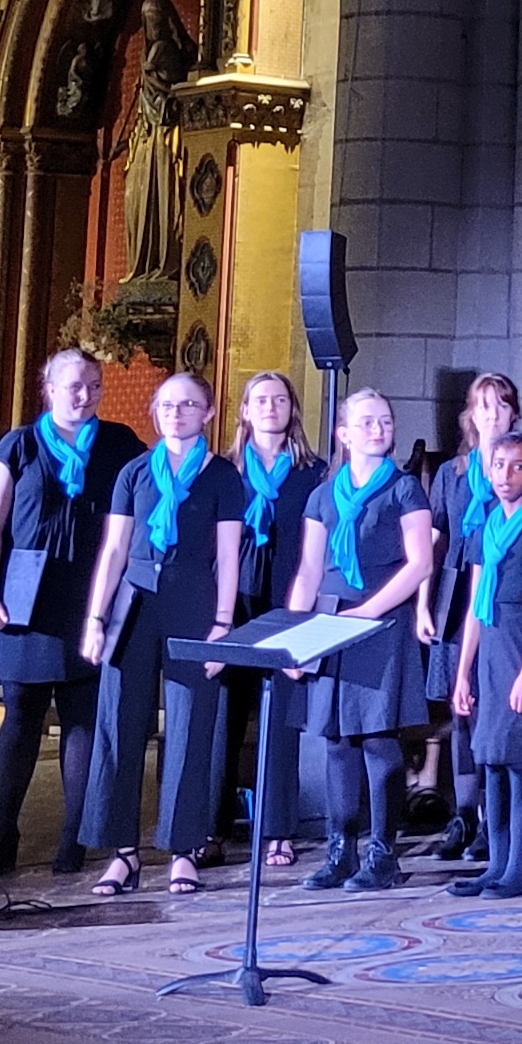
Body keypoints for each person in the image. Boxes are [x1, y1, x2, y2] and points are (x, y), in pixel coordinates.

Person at [0, 348, 142, 879]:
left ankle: (74, 837)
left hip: (88, 595)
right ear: (49, 389)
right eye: (74, 386)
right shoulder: (17, 446)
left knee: (82, 716)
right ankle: (3, 832)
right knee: (20, 715)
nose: (86, 395)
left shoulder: (119, 445)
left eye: (94, 385)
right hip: (23, 597)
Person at [74, 370, 245, 898]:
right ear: (155, 412)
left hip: (194, 603)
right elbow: (113, 550)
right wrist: (95, 618)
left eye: (189, 404)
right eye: (167, 405)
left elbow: (229, 556)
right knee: (119, 725)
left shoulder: (222, 476)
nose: (176, 413)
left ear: (208, 413)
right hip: (133, 604)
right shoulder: (133, 472)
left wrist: (223, 625)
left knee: (191, 727)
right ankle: (122, 853)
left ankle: (183, 849)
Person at [290, 385, 440, 890]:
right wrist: (296, 635)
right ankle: (341, 850)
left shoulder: (404, 488)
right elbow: (309, 569)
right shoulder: (322, 494)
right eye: (368, 421)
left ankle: (383, 852)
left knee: (378, 738)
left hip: (380, 620)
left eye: (386, 421)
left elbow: (420, 563)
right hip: (331, 621)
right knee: (337, 740)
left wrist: (369, 612)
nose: (379, 429)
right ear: (343, 434)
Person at [446, 428, 522, 903]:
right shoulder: (484, 530)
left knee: (517, 759)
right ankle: (495, 864)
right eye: (499, 466)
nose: (506, 475)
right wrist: (463, 672)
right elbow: (475, 607)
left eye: (518, 467)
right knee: (491, 759)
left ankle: (518, 868)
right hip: (491, 654)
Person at [421, 373, 522, 869]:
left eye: (501, 406)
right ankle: (463, 814)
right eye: (484, 406)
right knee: (461, 709)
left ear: (513, 415)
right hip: (457, 594)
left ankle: (492, 818)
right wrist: (423, 602)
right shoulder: (452, 473)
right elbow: (434, 538)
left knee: (494, 711)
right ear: (471, 416)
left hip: (503, 600)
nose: (492, 414)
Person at [220, 369, 322, 867]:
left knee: (282, 716)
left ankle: (278, 829)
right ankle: (213, 827)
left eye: (279, 399)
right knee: (226, 714)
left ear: (292, 409)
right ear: (244, 411)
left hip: (289, 597)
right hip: (235, 600)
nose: (269, 407)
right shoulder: (224, 471)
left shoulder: (312, 472)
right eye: (260, 399)